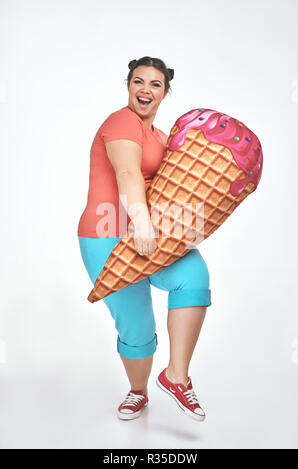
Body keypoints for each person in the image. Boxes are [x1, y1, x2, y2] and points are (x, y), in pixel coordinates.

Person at [77, 56, 212, 422]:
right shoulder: (122, 122)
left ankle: (176, 377)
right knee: (137, 327)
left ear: (165, 92)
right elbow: (127, 172)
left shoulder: (160, 136)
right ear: (128, 86)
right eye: (138, 82)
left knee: (193, 277)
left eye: (155, 84)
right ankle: (138, 392)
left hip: (150, 232)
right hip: (107, 233)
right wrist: (140, 221)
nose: (145, 90)